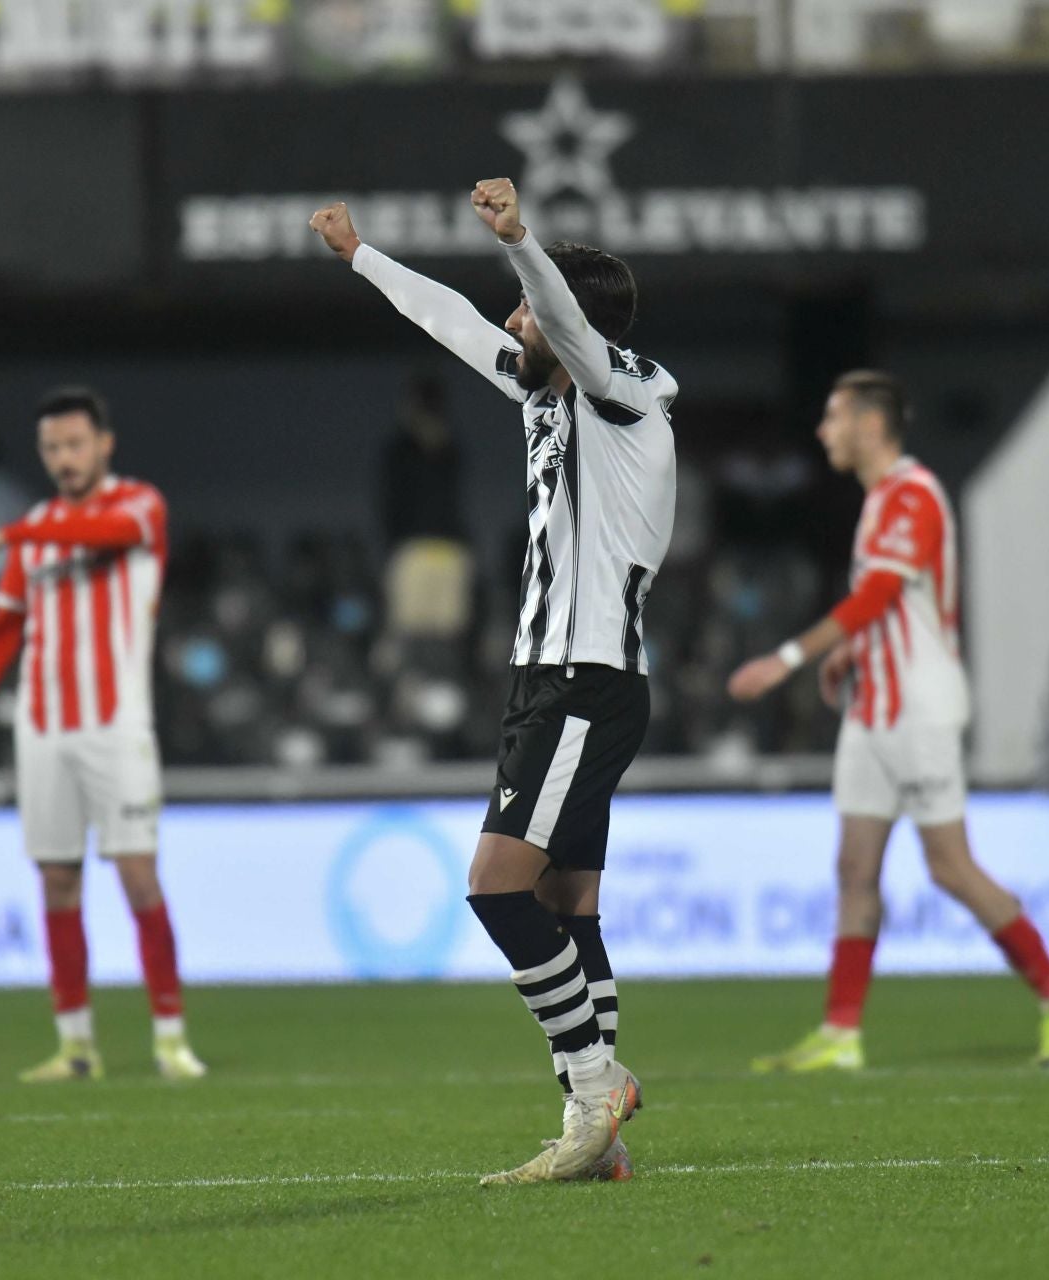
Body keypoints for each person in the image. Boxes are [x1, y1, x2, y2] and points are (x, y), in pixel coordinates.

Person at [311, 179, 675, 1185]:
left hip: (582, 677)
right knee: (570, 900)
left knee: (495, 888)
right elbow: (453, 322)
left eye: (532, 305)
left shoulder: (624, 390)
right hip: (554, 679)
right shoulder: (544, 388)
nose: (515, 321)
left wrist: (522, 243)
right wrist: (362, 257)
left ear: (571, 317)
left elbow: (551, 312)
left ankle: (597, 1083)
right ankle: (597, 1133)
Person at [728, 371, 1049, 1071]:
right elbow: (889, 609)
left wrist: (791, 657)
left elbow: (879, 593)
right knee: (854, 867)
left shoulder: (914, 493)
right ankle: (841, 1033)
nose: (822, 432)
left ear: (871, 425)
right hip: (875, 710)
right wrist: (849, 659)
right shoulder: (877, 502)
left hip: (920, 709)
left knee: (951, 868)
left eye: (833, 417)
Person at [0, 387, 206, 1084]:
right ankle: (76, 1045)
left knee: (139, 879)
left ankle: (170, 1037)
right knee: (56, 882)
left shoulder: (139, 506)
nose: (64, 458)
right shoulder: (40, 525)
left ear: (104, 444)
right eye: (51, 448)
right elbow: (1, 633)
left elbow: (104, 536)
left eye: (75, 444)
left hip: (116, 728)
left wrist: (5, 537)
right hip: (43, 729)